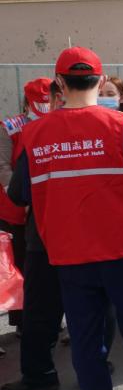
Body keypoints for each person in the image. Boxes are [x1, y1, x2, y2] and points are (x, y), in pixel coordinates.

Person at [10, 46, 123, 390]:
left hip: (69, 254)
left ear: (60, 83)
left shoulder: (33, 134)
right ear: (100, 80)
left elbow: (19, 194)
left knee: (85, 340)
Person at [1, 77, 52, 333]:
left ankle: (51, 317)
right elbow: (3, 166)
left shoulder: (56, 123)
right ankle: (22, 322)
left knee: (48, 267)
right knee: (19, 266)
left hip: (49, 206)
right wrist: (20, 196)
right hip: (15, 209)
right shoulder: (10, 127)